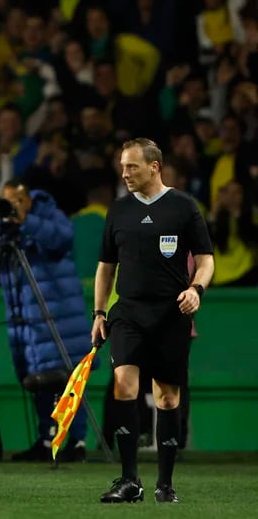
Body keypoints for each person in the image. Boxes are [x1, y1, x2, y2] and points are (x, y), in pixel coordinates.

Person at [92, 138, 214, 504]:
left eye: (132, 166)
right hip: (127, 312)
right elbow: (105, 268)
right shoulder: (118, 210)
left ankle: (165, 484)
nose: (124, 173)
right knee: (124, 386)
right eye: (122, 166)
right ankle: (130, 480)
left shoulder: (183, 207)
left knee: (166, 397)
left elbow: (206, 260)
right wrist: (99, 312)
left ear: (154, 167)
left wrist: (196, 290)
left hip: (170, 314)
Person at [0, 178, 93, 462]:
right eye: (6, 201)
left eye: (16, 202)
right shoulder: (2, 224)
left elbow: (63, 238)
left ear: (28, 200)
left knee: (68, 377)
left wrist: (28, 220)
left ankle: (77, 440)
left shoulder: (46, 212)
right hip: (24, 319)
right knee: (38, 379)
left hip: (57, 315)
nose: (11, 207)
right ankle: (46, 440)